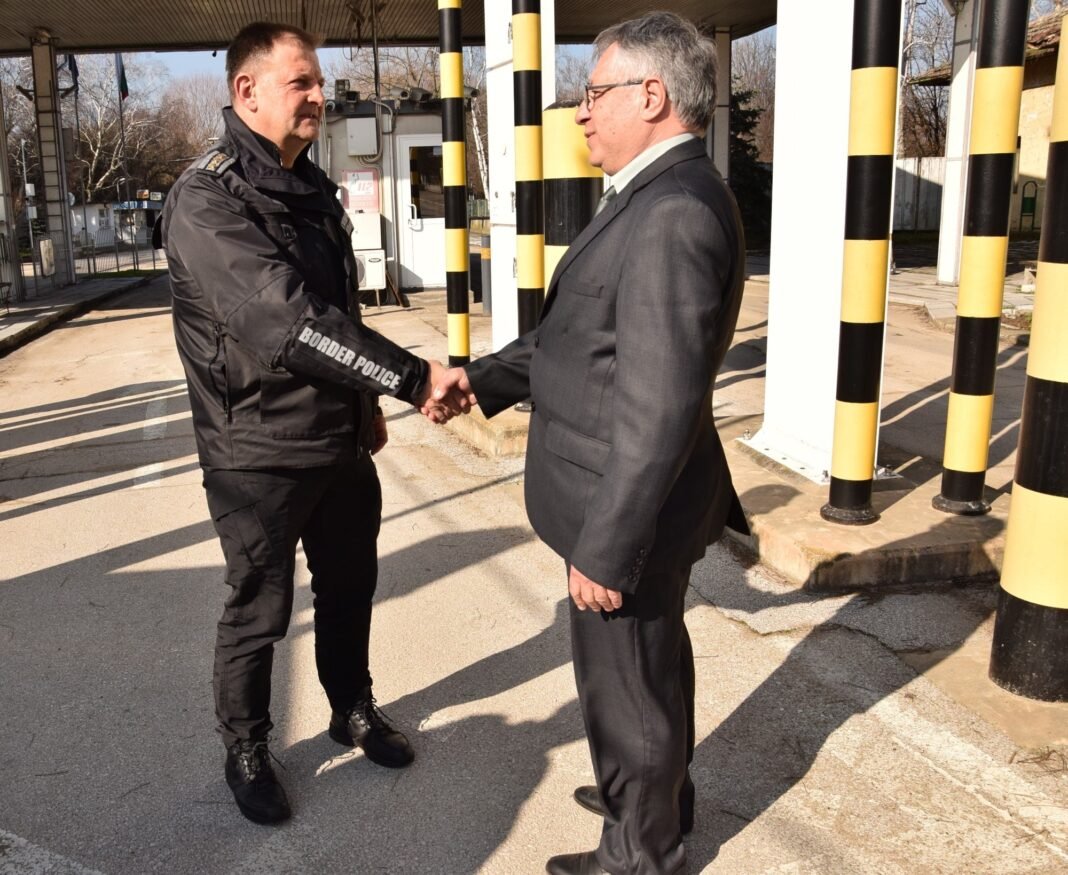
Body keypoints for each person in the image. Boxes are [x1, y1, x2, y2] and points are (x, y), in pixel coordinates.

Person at [433, 12, 749, 874]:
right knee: (650, 670)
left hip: (625, 509)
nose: (580, 111)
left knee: (631, 687)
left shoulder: (672, 213)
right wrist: (481, 380)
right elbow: (578, 338)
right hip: (626, 497)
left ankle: (640, 852)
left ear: (651, 95)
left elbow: (658, 405)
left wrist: (607, 547)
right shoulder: (655, 194)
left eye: (594, 91)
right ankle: (650, 798)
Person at [157, 21, 457, 825]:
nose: (321, 96)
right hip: (256, 448)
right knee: (259, 608)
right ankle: (247, 746)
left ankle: (350, 705)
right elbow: (290, 325)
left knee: (350, 585)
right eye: (303, 82)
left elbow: (339, 309)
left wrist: (367, 407)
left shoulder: (309, 184)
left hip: (339, 440)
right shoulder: (207, 199)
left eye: (319, 82)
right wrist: (411, 379)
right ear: (247, 90)